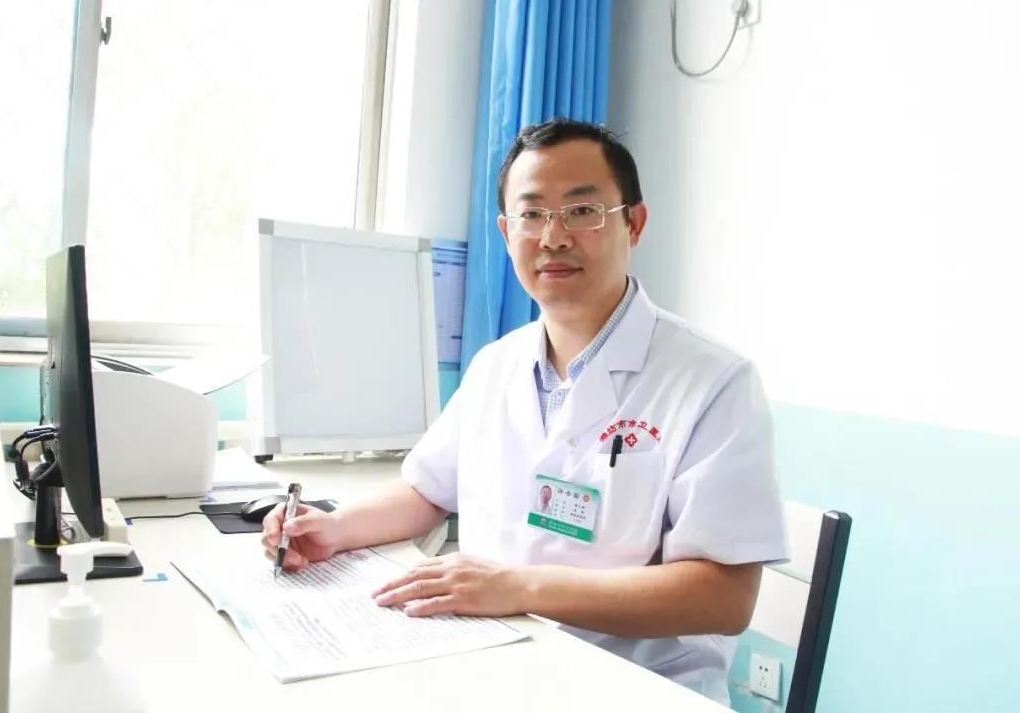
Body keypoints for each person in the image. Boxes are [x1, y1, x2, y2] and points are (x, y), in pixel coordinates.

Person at [262, 119, 787, 704]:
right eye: (532, 215)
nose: (553, 237)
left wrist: (517, 587)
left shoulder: (714, 381)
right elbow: (426, 491)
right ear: (507, 232)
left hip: (635, 687)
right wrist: (333, 529)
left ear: (634, 223)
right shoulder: (497, 365)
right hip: (496, 663)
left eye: (582, 211)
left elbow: (723, 598)